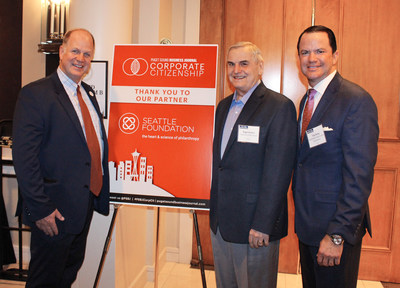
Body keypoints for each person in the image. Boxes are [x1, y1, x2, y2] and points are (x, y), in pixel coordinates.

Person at [12, 28, 109, 287]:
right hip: (52, 213)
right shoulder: (36, 94)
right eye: (75, 51)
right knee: (44, 281)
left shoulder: (87, 94)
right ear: (61, 51)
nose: (81, 58)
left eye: (87, 54)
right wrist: (41, 209)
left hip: (82, 207)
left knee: (67, 276)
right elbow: (24, 158)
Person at [293, 25, 379, 288]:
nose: (311, 58)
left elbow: (358, 177)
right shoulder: (306, 101)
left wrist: (337, 235)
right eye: (305, 52)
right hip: (308, 225)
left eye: (320, 51)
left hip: (334, 229)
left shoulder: (356, 101)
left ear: (335, 56)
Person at [209, 42, 297, 288]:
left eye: (244, 63)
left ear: (260, 67)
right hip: (221, 223)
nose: (236, 70)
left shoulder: (279, 107)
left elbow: (278, 172)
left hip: (254, 226)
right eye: (231, 64)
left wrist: (263, 224)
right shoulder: (223, 106)